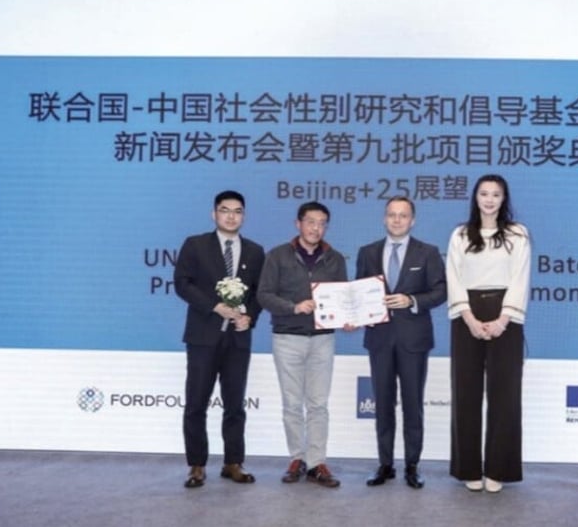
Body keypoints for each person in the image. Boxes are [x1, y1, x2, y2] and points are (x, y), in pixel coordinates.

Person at [445, 174, 530, 494]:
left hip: (505, 317)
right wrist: (468, 317)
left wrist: (503, 320)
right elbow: (453, 276)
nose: (490, 199)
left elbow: (520, 278)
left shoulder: (517, 234)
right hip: (466, 315)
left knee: (504, 396)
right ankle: (468, 467)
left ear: (504, 198)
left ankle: (499, 469)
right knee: (465, 394)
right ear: (475, 198)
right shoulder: (460, 234)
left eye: (496, 194)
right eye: (484, 193)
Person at [174, 190, 265, 488]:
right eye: (225, 210)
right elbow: (182, 284)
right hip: (203, 336)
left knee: (235, 404)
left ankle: (233, 463)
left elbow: (258, 293)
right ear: (214, 214)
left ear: (244, 216)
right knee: (196, 403)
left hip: (238, 340)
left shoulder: (254, 251)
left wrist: (249, 316)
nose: (231, 216)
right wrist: (214, 306)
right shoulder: (195, 245)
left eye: (237, 211)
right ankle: (197, 466)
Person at [356, 197, 446, 489]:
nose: (397, 220)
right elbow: (358, 292)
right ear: (384, 218)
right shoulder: (367, 251)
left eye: (403, 215)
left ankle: (412, 465)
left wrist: (412, 301)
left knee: (412, 404)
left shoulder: (428, 253)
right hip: (379, 338)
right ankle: (385, 465)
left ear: (413, 220)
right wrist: (359, 313)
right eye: (392, 215)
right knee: (382, 404)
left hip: (414, 340)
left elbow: (441, 291)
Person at [257, 201, 348, 488]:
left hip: (322, 339)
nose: (316, 228)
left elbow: (342, 298)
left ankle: (317, 462)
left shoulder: (335, 259)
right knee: (292, 404)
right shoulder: (277, 256)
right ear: (298, 224)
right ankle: (297, 458)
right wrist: (293, 307)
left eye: (322, 223)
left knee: (318, 404)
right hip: (287, 338)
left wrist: (347, 317)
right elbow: (264, 295)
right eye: (311, 222)